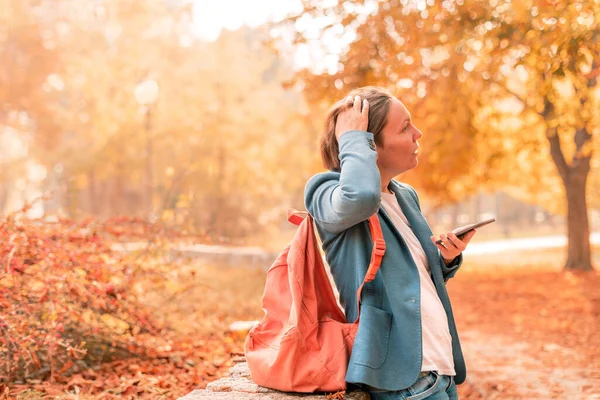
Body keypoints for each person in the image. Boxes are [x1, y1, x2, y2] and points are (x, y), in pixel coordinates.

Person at [304, 86, 476, 400]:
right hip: (403, 380)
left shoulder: (405, 196)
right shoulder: (328, 191)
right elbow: (361, 197)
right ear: (370, 144)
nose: (418, 133)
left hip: (440, 368)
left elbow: (414, 275)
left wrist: (447, 260)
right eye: (405, 127)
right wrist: (352, 139)